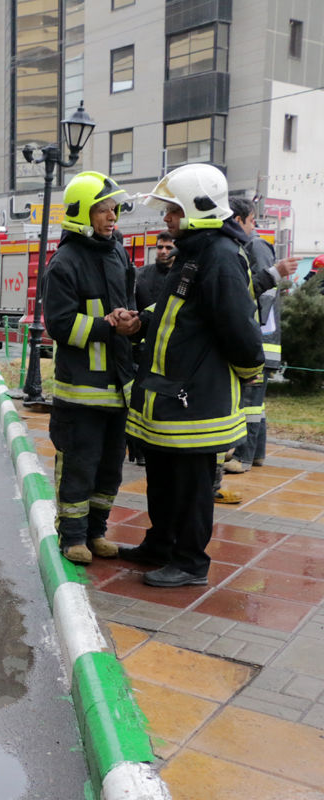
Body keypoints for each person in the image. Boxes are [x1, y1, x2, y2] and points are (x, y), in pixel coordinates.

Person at [121, 163, 264, 587]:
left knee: (191, 488)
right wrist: (141, 321)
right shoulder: (195, 253)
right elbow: (173, 311)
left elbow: (239, 327)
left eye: (172, 210)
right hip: (171, 396)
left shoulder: (219, 257)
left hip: (196, 400)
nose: (166, 219)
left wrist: (250, 371)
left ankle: (189, 563)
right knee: (163, 480)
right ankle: (161, 545)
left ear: (198, 210)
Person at [41, 171, 140, 565]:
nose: (111, 217)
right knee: (79, 466)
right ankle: (72, 537)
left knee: (110, 469)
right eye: (103, 209)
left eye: (114, 209)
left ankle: (97, 532)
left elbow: (130, 295)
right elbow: (60, 325)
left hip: (117, 388)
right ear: (83, 212)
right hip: (80, 392)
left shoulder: (117, 251)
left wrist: (134, 321)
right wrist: (107, 325)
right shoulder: (65, 262)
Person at [222, 197, 297, 473]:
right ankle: (257, 454)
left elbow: (262, 295)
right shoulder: (243, 247)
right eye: (254, 220)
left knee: (250, 404)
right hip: (261, 342)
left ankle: (242, 457)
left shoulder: (255, 246)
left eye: (251, 220)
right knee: (257, 403)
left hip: (259, 342)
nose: (255, 226)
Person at [128, 231, 177, 466]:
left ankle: (158, 448)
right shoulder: (142, 275)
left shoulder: (182, 278)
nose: (164, 251)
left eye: (169, 247)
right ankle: (138, 450)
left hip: (170, 352)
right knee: (139, 400)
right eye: (160, 247)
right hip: (141, 351)